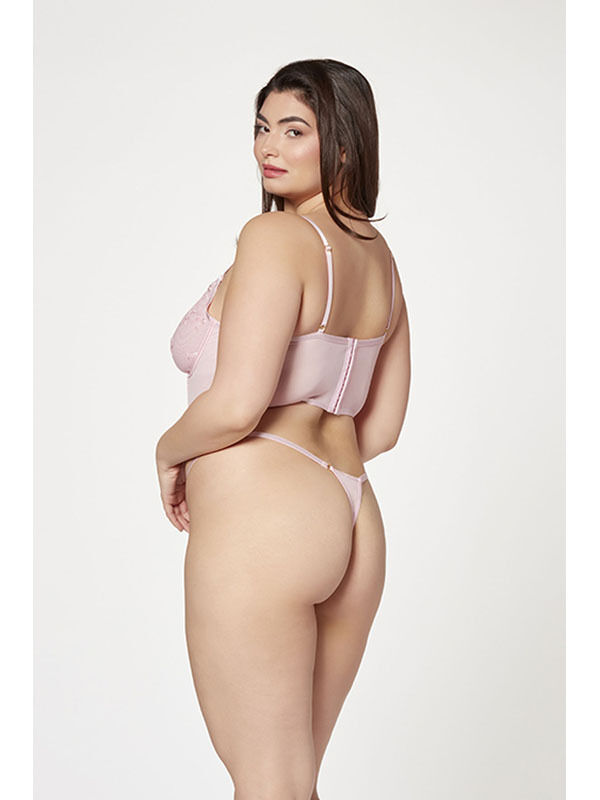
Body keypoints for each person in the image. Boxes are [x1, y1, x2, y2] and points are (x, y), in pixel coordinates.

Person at [155, 58, 411, 800]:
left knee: (268, 786)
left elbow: (238, 404)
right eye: (262, 127)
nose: (268, 146)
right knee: (294, 785)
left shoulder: (274, 237)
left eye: (294, 130)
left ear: (343, 144)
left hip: (266, 521)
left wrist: (167, 452)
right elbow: (383, 426)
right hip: (354, 520)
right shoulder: (379, 257)